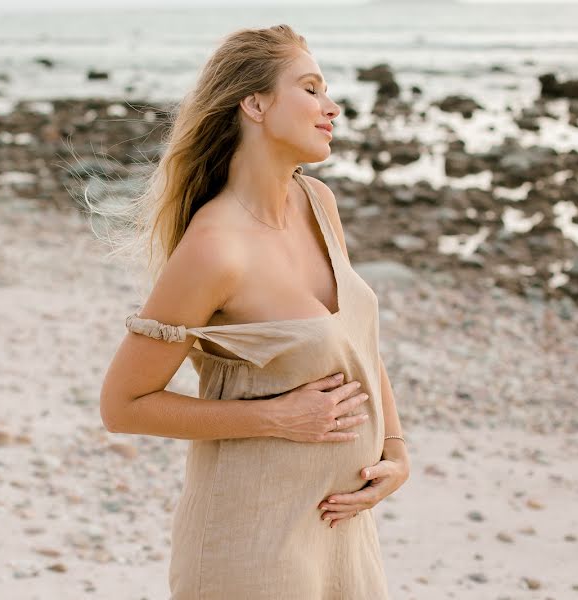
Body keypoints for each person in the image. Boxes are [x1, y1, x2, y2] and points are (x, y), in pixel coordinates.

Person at [97, 24, 409, 599]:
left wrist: (395, 451)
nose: (331, 107)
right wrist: (274, 418)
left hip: (342, 534)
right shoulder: (215, 247)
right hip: (250, 544)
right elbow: (123, 405)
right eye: (311, 89)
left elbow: (357, 341)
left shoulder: (317, 202)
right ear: (255, 102)